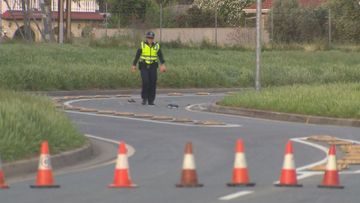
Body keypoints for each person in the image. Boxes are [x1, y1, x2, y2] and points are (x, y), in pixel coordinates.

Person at [132, 31, 166, 105]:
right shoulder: (142, 45)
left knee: (153, 82)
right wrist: (134, 65)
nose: (150, 39)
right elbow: (137, 55)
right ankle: (144, 98)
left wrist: (162, 64)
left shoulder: (156, 46)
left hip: (153, 66)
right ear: (146, 38)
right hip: (144, 66)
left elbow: (160, 55)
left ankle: (151, 100)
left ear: (153, 38)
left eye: (151, 38)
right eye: (148, 38)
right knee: (146, 81)